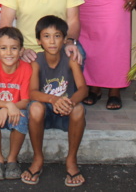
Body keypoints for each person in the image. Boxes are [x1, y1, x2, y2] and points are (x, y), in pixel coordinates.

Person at [24, 15, 87, 187]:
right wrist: (53, 99)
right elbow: (32, 92)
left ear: (65, 39)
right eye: (46, 36)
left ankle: (71, 160)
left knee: (79, 109)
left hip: (66, 112)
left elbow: (83, 89)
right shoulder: (36, 61)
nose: (52, 41)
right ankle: (37, 158)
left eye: (57, 36)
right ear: (38, 40)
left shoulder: (70, 59)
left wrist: (70, 102)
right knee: (35, 108)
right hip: (45, 112)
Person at [0, 26, 32, 181]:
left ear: (21, 50)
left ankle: (11, 160)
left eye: (14, 48)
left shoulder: (26, 69)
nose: (9, 53)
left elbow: (25, 101)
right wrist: (7, 106)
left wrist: (9, 108)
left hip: (16, 109)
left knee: (21, 119)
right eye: (3, 48)